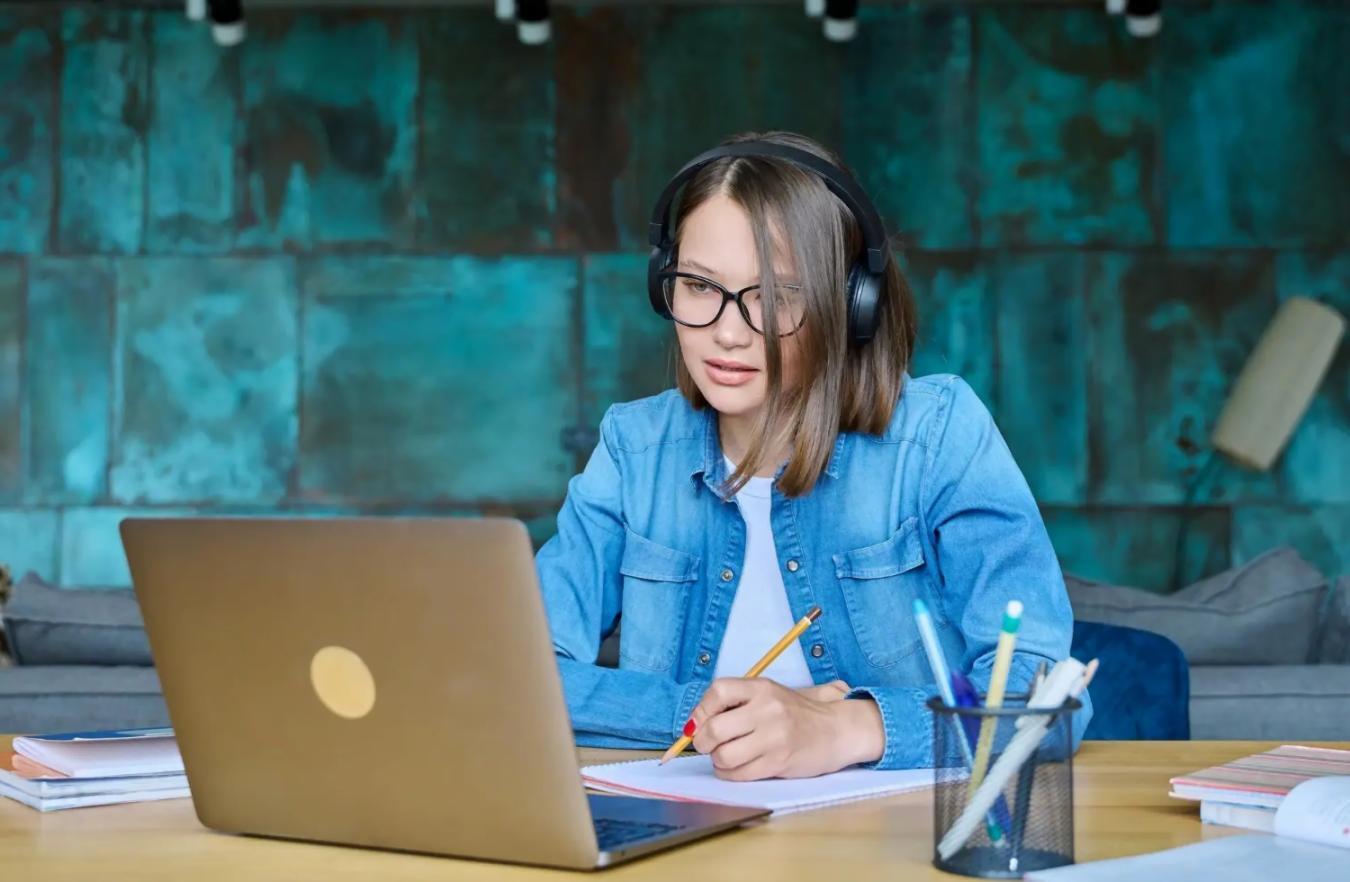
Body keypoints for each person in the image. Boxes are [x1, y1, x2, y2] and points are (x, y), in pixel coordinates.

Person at [534, 130, 1091, 781]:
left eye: (778, 297)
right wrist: (726, 717)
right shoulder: (634, 450)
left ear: (849, 305)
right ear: (666, 285)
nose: (729, 331)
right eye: (700, 286)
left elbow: (1049, 700)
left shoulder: (939, 435)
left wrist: (846, 727)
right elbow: (524, 674)